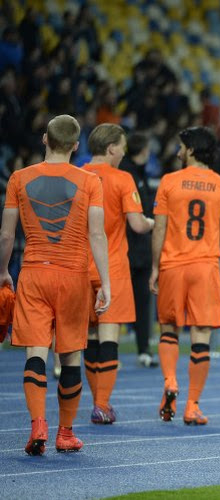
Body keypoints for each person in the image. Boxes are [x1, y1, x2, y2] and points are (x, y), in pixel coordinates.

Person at [0, 114, 111, 454]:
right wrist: (105, 282)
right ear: (77, 146)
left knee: (36, 351)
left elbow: (6, 234)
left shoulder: (19, 178)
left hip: (33, 272)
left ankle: (38, 426)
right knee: (71, 355)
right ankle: (65, 432)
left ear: (44, 138)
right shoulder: (89, 180)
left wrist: (3, 271)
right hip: (73, 276)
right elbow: (96, 233)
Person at [149, 126, 220, 425]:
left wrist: (154, 268)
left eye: (180, 147)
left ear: (190, 149)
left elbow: (159, 229)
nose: (177, 152)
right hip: (205, 267)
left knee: (168, 328)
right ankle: (191, 405)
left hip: (173, 265)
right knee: (201, 335)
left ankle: (170, 381)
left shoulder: (169, 182)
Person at [81, 124, 154, 424]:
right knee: (110, 336)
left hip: (80, 266)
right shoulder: (123, 178)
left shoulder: (77, 175)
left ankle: (96, 401)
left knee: (89, 338)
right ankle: (102, 404)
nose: (124, 152)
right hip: (112, 267)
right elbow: (136, 225)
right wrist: (152, 222)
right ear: (111, 147)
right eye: (122, 147)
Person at [121, 131, 159, 367]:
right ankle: (106, 352)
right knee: (119, 301)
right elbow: (136, 217)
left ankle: (143, 349)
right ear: (143, 150)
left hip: (139, 249)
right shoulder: (126, 175)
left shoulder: (139, 174)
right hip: (126, 246)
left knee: (142, 300)